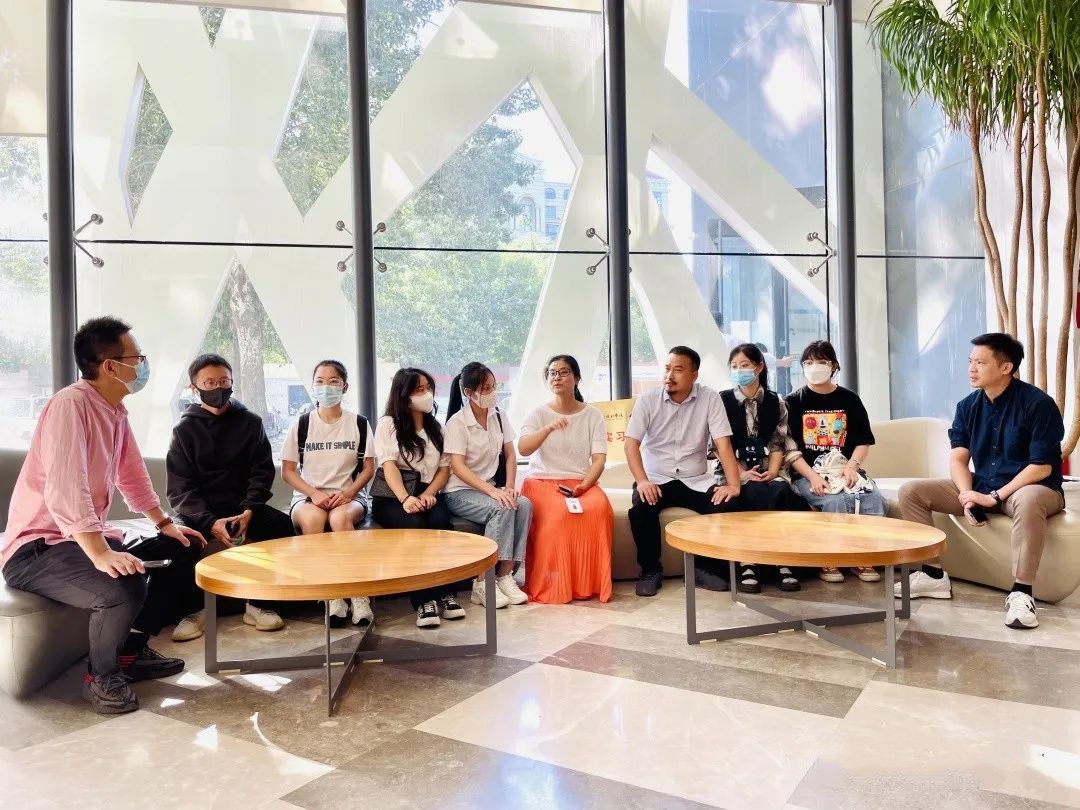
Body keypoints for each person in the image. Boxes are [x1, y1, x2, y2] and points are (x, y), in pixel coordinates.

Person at [2, 317, 203, 714]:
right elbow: (65, 487)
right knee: (122, 587)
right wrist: (99, 553)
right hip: (37, 549)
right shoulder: (70, 405)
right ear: (111, 366)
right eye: (137, 358)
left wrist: (165, 525)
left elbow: (132, 476)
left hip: (80, 540)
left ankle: (130, 651)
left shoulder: (115, 412)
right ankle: (101, 677)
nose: (143, 365)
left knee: (182, 551)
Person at [898, 333, 1065, 630]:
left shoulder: (1038, 404)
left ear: (1006, 367)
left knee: (1028, 499)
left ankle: (1022, 592)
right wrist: (967, 495)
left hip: (1031, 488)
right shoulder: (967, 406)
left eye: (980, 362)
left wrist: (994, 497)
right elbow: (958, 459)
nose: (971, 369)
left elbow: (1041, 467)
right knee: (912, 491)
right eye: (970, 361)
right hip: (982, 484)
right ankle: (933, 575)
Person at [165, 353, 293, 641]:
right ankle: (193, 611)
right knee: (178, 540)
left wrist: (249, 510)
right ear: (194, 388)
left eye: (224, 381)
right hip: (200, 512)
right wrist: (210, 522)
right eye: (209, 383)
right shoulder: (184, 430)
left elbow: (261, 472)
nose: (218, 388)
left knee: (282, 527)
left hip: (243, 508)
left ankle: (259, 604)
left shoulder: (251, 423)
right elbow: (180, 487)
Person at [626, 345, 742, 598]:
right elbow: (631, 444)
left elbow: (723, 444)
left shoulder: (710, 398)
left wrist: (733, 485)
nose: (670, 375)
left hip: (695, 479)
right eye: (667, 369)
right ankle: (650, 571)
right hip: (656, 478)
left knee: (727, 504)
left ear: (694, 375)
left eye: (678, 370)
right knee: (641, 507)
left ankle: (704, 569)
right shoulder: (648, 399)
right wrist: (642, 481)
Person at [281, 360, 376, 628]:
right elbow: (288, 471)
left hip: (349, 496)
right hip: (308, 498)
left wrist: (349, 493)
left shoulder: (359, 423)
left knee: (339, 519)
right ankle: (331, 595)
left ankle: (358, 593)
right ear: (313, 386)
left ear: (345, 386)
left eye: (333, 381)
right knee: (313, 520)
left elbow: (369, 467)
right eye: (320, 381)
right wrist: (314, 493)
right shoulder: (301, 424)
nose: (326, 387)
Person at [371, 367, 466, 628]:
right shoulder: (389, 424)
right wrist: (405, 498)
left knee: (440, 525)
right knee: (415, 527)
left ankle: (446, 593)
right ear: (403, 395)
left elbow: (444, 469)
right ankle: (424, 600)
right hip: (394, 496)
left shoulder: (437, 428)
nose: (426, 394)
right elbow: (389, 466)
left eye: (428, 388)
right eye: (419, 389)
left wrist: (428, 493)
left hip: (427, 491)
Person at [785, 340, 885, 585]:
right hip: (808, 473)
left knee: (872, 498)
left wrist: (851, 467)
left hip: (844, 469)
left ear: (834, 365)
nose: (814, 367)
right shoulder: (793, 402)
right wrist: (813, 477)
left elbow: (863, 441)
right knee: (834, 501)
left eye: (821, 361)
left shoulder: (850, 399)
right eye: (808, 362)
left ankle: (863, 557)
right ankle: (829, 557)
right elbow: (791, 451)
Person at [518, 354, 614, 603]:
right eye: (552, 373)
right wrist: (548, 428)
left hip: (581, 482)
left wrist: (584, 485)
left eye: (563, 372)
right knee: (560, 515)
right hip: (542, 481)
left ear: (577, 378)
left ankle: (588, 584)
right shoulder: (538, 414)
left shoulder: (593, 415)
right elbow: (524, 449)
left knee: (599, 508)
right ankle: (554, 585)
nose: (557, 377)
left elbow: (599, 459)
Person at [723, 343, 811, 593]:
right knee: (754, 491)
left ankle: (780, 559)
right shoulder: (722, 401)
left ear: (759, 367)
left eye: (745, 365)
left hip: (769, 469)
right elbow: (720, 446)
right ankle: (750, 562)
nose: (739, 371)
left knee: (779, 490)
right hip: (733, 470)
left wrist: (772, 471)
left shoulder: (776, 401)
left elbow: (778, 441)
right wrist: (741, 473)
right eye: (734, 366)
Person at [443, 362, 532, 609]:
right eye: (486, 388)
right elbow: (457, 467)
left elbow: (510, 454)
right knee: (501, 507)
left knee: (523, 504)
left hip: (490, 489)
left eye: (494, 386)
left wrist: (510, 486)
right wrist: (493, 492)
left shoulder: (499, 416)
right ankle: (482, 582)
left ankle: (505, 576)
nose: (492, 392)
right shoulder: (457, 423)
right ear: (469, 392)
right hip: (460, 492)